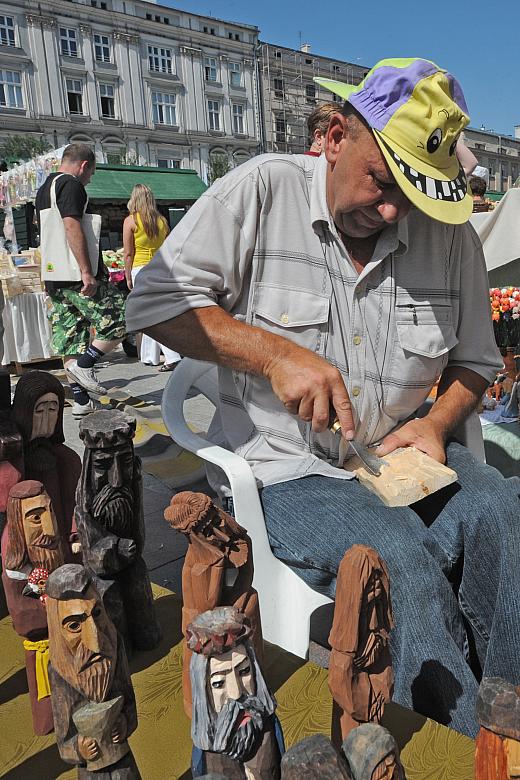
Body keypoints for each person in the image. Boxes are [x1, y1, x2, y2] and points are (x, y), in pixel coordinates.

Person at [127, 58, 518, 738]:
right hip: (293, 471)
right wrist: (273, 353)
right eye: (381, 181)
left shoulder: (447, 232)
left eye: (414, 194)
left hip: (403, 456)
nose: (396, 210)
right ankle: (452, 744)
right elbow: (154, 304)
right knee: (395, 559)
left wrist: (439, 421)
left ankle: (508, 716)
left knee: (502, 515)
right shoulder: (260, 194)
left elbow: (478, 360)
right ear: (335, 136)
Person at [35, 144, 127, 418]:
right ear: (84, 165)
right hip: (75, 275)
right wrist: (86, 271)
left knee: (70, 337)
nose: (90, 178)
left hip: (55, 276)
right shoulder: (72, 185)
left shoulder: (45, 187)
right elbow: (71, 225)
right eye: (92, 173)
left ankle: (81, 400)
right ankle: (86, 364)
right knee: (122, 319)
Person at [123, 184, 181, 371]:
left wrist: (127, 275)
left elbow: (128, 253)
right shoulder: (162, 221)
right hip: (160, 269)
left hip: (140, 268)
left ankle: (171, 356)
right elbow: (169, 248)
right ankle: (149, 356)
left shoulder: (130, 221)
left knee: (148, 314)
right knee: (153, 311)